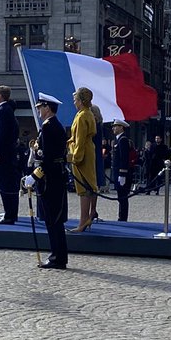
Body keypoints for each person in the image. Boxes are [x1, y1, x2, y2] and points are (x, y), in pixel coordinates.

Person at [25, 93, 69, 269]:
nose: (38, 110)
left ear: (47, 108)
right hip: (54, 177)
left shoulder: (49, 127)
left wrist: (34, 176)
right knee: (53, 220)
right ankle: (57, 256)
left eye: (40, 107)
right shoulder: (52, 126)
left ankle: (57, 258)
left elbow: (48, 160)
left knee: (53, 220)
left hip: (50, 179)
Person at [67, 86, 97, 232]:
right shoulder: (88, 113)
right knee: (90, 185)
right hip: (89, 150)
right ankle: (89, 216)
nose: (74, 102)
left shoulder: (81, 116)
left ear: (80, 101)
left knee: (83, 188)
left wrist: (76, 158)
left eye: (75, 100)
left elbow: (79, 139)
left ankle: (83, 221)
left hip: (82, 153)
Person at [0, 85, 20, 225]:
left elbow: (1, 134)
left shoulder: (3, 110)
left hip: (3, 155)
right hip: (8, 153)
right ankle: (11, 212)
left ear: (0, 96)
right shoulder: (7, 110)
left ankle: (9, 215)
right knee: (8, 184)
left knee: (5, 184)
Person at [111, 119, 133, 222]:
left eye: (116, 126)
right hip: (117, 171)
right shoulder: (118, 139)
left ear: (121, 127)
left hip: (122, 173)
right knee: (120, 196)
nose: (113, 128)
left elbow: (124, 158)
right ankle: (121, 216)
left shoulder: (123, 140)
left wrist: (122, 174)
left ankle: (123, 218)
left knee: (123, 197)